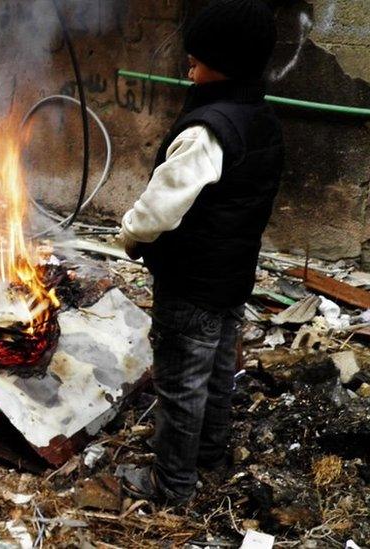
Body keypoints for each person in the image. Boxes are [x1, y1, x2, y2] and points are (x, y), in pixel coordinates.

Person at [117, 0, 284, 506]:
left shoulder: (206, 131)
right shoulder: (261, 118)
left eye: (196, 58)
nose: (187, 63)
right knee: (216, 372)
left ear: (224, 63)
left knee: (181, 384)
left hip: (189, 285)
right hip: (231, 276)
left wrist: (130, 236)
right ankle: (210, 453)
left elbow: (160, 207)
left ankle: (172, 485)